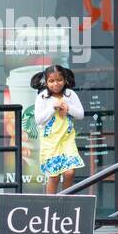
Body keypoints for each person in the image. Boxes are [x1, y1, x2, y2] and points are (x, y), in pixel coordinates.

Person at [32, 65, 85, 193]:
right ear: (46, 82)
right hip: (50, 142)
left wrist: (68, 108)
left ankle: (66, 202)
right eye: (51, 81)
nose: (56, 84)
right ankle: (50, 206)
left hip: (67, 139)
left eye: (59, 80)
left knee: (69, 172)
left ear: (65, 79)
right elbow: (39, 120)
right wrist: (52, 107)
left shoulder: (70, 94)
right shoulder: (43, 97)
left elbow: (81, 115)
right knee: (54, 176)